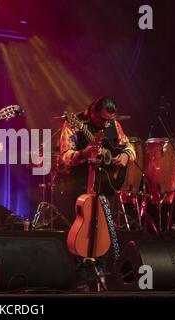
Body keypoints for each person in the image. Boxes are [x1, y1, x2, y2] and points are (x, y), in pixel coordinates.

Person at [59, 96, 136, 288]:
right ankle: (81, 279)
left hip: (107, 185)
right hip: (81, 184)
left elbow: (129, 146)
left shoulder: (114, 125)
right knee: (80, 230)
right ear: (92, 111)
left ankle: (101, 274)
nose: (106, 124)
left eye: (109, 120)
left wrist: (126, 156)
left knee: (105, 230)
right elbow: (65, 157)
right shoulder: (73, 123)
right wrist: (83, 154)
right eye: (102, 119)